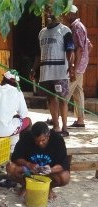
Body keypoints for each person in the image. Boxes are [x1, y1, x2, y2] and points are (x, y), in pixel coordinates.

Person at [30, 7, 75, 137]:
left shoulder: (65, 31)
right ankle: (56, 127)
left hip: (60, 71)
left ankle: (65, 127)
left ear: (60, 14)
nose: (49, 14)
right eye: (47, 12)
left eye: (53, 12)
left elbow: (70, 50)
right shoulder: (41, 33)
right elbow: (38, 54)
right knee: (50, 99)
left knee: (63, 99)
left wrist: (71, 66)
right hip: (46, 72)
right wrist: (34, 68)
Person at [6, 121, 70, 199]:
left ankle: (47, 188)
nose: (40, 143)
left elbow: (64, 163)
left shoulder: (57, 139)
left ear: (48, 136)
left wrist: (51, 169)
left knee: (65, 176)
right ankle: (26, 186)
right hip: (29, 171)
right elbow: (15, 157)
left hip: (49, 174)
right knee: (10, 167)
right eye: (36, 141)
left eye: (43, 140)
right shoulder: (26, 137)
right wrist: (28, 165)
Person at [65, 5, 93, 128]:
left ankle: (58, 117)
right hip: (81, 64)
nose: (64, 17)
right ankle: (80, 120)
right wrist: (84, 60)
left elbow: (80, 49)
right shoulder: (79, 26)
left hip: (76, 66)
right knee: (78, 91)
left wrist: (73, 68)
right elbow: (89, 46)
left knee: (65, 92)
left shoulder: (76, 28)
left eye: (65, 14)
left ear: (71, 14)